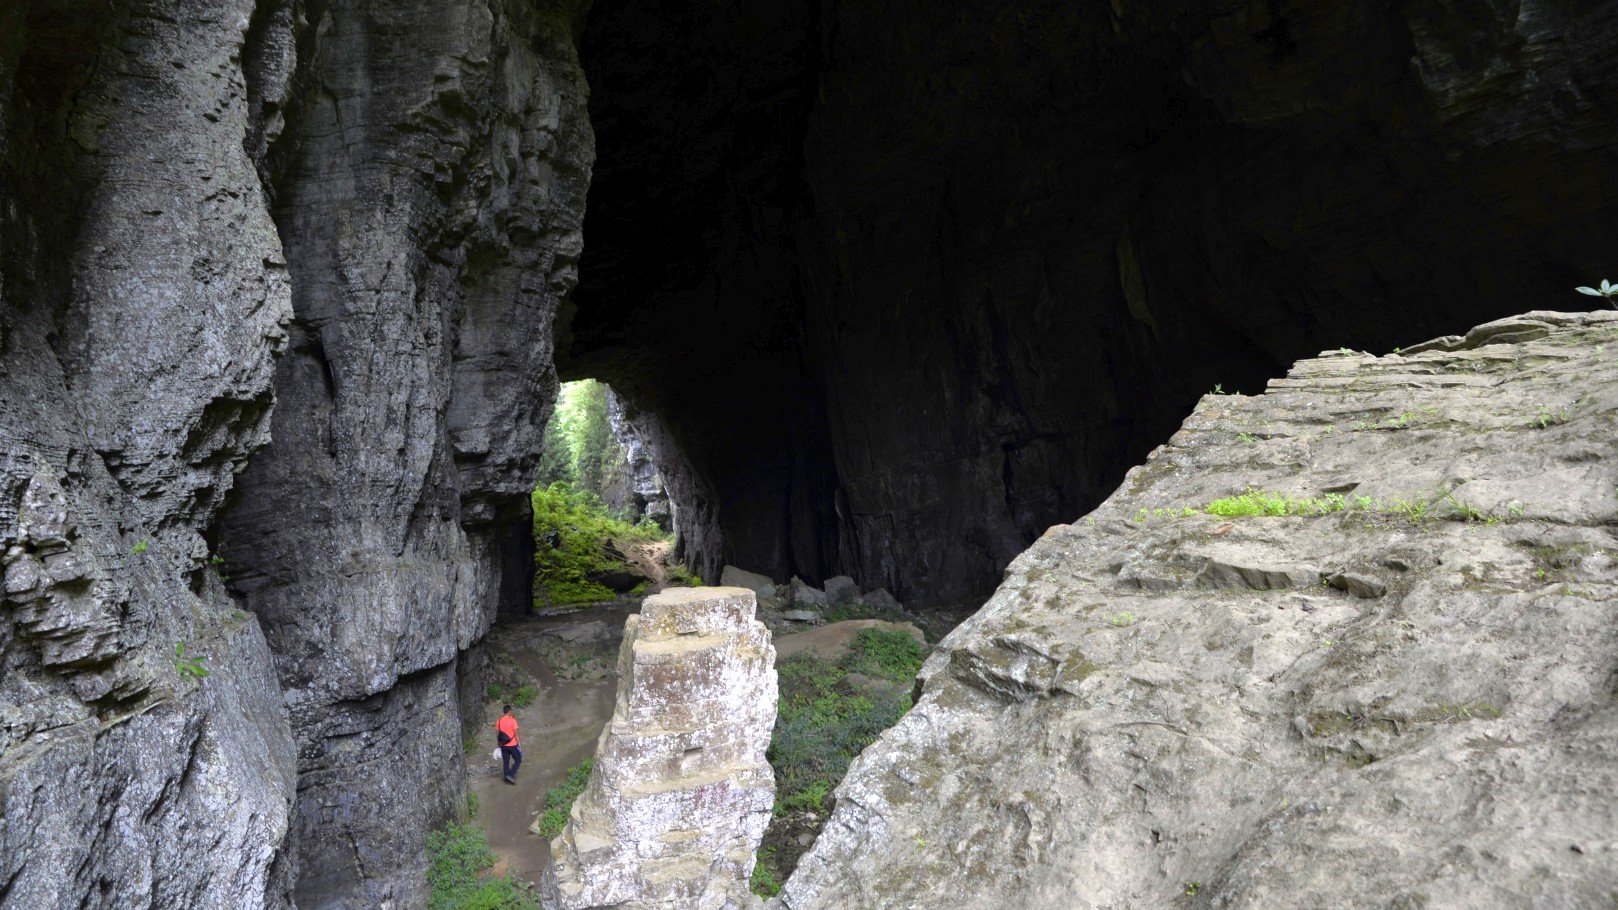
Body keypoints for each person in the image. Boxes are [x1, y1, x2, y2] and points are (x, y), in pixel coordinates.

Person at [496, 704, 522, 784]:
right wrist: (519, 744)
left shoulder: (499, 721)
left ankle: (506, 778)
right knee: (518, 759)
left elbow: (498, 734)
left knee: (506, 762)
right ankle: (510, 775)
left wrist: (499, 744)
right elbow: (516, 734)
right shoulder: (513, 720)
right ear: (509, 711)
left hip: (503, 745)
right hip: (512, 744)